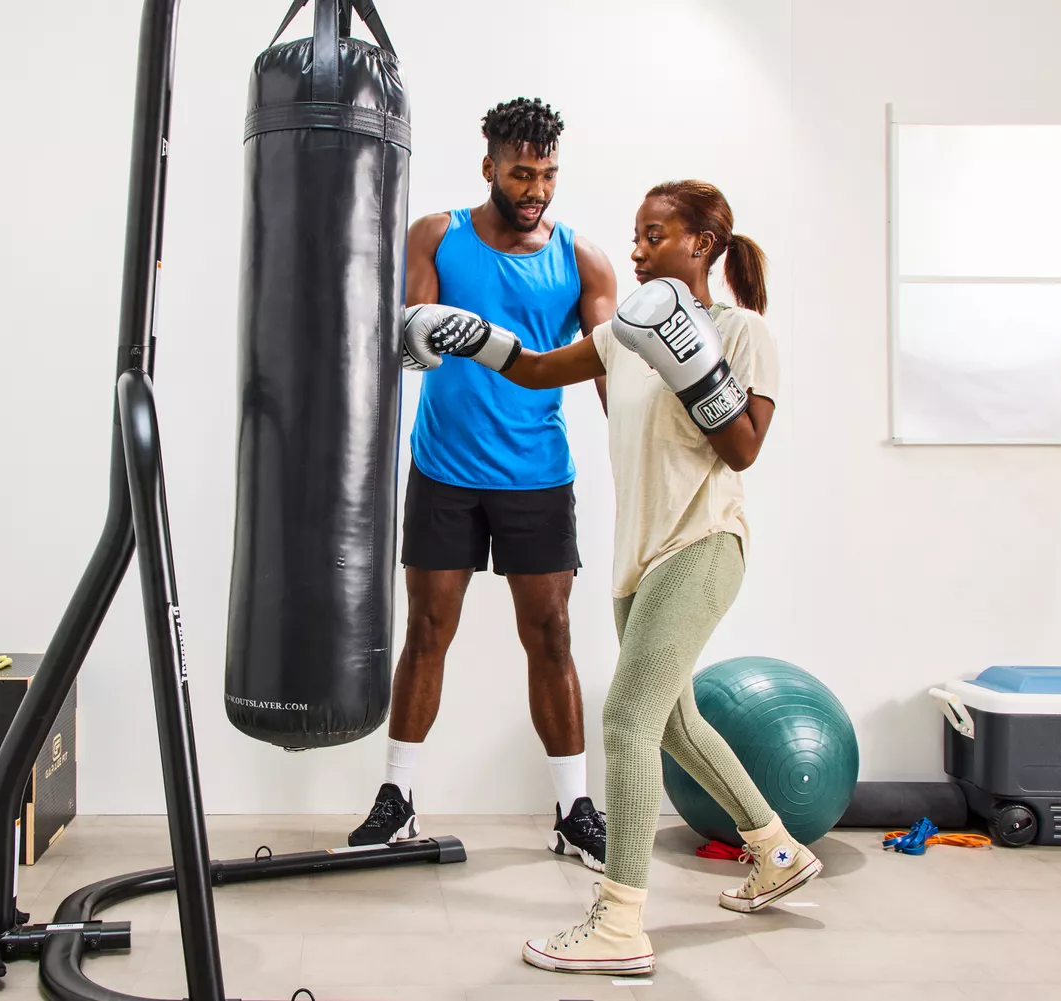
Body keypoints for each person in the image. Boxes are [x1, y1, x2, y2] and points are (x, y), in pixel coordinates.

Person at [408, 180, 822, 975]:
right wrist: (471, 335)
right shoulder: (620, 335)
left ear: (701, 244)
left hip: (703, 544)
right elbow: (532, 371)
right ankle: (774, 848)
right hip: (640, 559)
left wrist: (691, 360)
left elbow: (742, 450)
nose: (636, 249)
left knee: (628, 718)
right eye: (635, 235)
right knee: (672, 721)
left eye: (655, 234)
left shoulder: (744, 332)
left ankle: (620, 922)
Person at [346, 98, 618, 873]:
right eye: (522, 172)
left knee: (552, 635)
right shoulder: (438, 234)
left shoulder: (583, 258)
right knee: (427, 630)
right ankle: (397, 799)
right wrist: (421, 331)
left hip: (537, 473)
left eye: (548, 174)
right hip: (444, 469)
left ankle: (573, 809)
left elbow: (610, 374)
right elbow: (406, 333)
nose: (536, 188)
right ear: (490, 166)